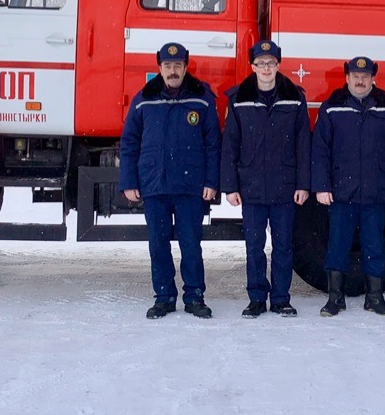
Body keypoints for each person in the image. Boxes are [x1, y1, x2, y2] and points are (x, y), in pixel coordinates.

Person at [120, 42, 220, 319]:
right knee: (158, 244)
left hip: (190, 187)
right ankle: (164, 297)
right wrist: (129, 181)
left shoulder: (201, 98)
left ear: (186, 68)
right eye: (167, 66)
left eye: (177, 66)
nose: (173, 71)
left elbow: (213, 144)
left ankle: (194, 296)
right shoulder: (143, 100)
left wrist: (212, 181)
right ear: (159, 68)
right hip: (155, 185)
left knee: (191, 243)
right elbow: (129, 142)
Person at [311, 56, 385, 317]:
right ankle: (335, 298)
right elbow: (320, 150)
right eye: (355, 75)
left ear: (373, 78)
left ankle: (374, 297)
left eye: (365, 76)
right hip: (342, 193)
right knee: (337, 246)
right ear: (347, 78)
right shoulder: (332, 107)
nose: (360, 80)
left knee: (374, 246)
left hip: (375, 193)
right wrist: (321, 186)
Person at [221, 40, 311, 318]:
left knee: (283, 246)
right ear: (253, 66)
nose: (266, 68)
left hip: (285, 187)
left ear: (278, 65)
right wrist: (230, 186)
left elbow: (303, 143)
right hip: (251, 189)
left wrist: (303, 184)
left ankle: (281, 299)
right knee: (254, 247)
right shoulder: (238, 98)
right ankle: (257, 298)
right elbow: (230, 145)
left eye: (271, 63)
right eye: (261, 63)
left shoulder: (295, 97)